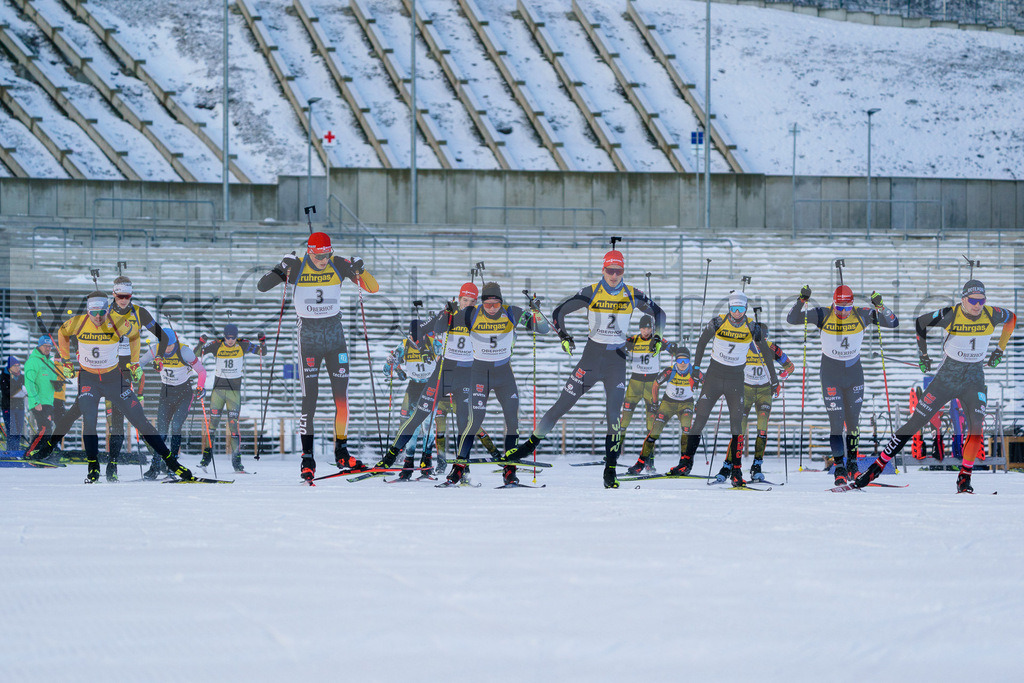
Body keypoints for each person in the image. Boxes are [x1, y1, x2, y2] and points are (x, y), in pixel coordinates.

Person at [503, 249, 665, 489]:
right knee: (562, 404)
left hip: (616, 361)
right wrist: (564, 336)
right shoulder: (592, 291)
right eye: (610, 270)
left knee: (613, 417)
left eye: (618, 271)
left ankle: (610, 469)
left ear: (623, 271)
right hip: (591, 358)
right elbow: (559, 311)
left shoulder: (632, 294)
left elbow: (659, 314)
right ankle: (528, 447)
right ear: (603, 270)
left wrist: (658, 338)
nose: (613, 275)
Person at [855, 280, 1016, 493]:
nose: (978, 305)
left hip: (974, 378)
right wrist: (924, 355)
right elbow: (921, 322)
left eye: (981, 300)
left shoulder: (991, 313)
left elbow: (1012, 318)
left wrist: (1000, 350)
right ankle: (878, 466)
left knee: (976, 426)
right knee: (915, 423)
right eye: (973, 300)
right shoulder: (951, 314)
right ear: (963, 299)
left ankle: (964, 478)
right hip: (947, 377)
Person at [26, 291, 192, 482]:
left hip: (114, 379)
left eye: (102, 312)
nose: (98, 317)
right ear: (88, 311)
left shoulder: (117, 323)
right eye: (93, 313)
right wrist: (66, 360)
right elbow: (62, 333)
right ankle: (93, 466)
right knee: (89, 420)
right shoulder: (78, 322)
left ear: (107, 309)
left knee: (140, 421)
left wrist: (135, 362)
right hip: (89, 379)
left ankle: (172, 463)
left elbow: (135, 337)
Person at [256, 232, 378, 483]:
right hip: (309, 339)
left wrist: (361, 270)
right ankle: (307, 457)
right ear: (310, 251)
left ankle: (342, 452)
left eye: (327, 254)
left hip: (335, 337)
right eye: (319, 255)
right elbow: (262, 285)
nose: (324, 259)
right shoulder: (297, 265)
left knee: (341, 398)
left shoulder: (338, 263)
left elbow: (373, 288)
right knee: (309, 399)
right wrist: (280, 267)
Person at [374, 283, 504, 475]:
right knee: (419, 415)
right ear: (459, 299)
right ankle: (390, 457)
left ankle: (461, 467)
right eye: (465, 300)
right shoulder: (449, 312)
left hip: (466, 375)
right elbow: (422, 330)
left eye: (472, 301)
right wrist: (440, 319)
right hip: (443, 373)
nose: (468, 304)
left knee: (464, 422)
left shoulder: (481, 316)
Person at [787, 284, 898, 485]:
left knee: (853, 423)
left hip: (854, 373)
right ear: (833, 304)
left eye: (847, 308)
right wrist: (802, 300)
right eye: (839, 308)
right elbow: (792, 319)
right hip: (830, 374)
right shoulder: (823, 314)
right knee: (836, 423)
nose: (843, 312)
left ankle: (853, 466)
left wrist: (880, 306)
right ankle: (839, 467)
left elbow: (893, 323)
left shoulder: (862, 314)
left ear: (853, 305)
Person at [666, 291, 778, 487]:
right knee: (699, 419)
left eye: (740, 309)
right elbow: (701, 342)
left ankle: (736, 470)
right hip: (713, 377)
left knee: (737, 425)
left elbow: (767, 354)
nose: (736, 313)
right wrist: (697, 368)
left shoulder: (752, 326)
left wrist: (774, 379)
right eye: (733, 308)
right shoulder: (717, 322)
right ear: (729, 308)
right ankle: (686, 462)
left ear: (745, 309)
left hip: (736, 380)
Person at [442, 282, 548, 486]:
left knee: (512, 419)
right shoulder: (471, 314)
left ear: (501, 302)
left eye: (496, 304)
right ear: (482, 302)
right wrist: (447, 313)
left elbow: (542, 329)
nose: (492, 308)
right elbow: (443, 326)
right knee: (474, 420)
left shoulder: (511, 312)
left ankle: (510, 470)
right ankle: (458, 467)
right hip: (479, 372)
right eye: (488, 304)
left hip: (503, 373)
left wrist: (537, 312)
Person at [106, 276, 166, 473]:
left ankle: (159, 462)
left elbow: (162, 336)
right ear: (114, 294)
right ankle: (112, 464)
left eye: (128, 296)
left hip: (129, 370)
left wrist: (159, 357)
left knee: (138, 418)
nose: (124, 300)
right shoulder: (104, 312)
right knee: (115, 420)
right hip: (107, 370)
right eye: (120, 296)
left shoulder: (139, 313)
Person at [719, 331, 795, 482]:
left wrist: (783, 374)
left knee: (762, 429)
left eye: (763, 339)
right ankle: (727, 465)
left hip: (764, 392)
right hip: (745, 391)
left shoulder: (772, 348)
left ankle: (757, 466)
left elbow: (790, 366)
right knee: (739, 430)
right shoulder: (743, 347)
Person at [196, 323, 266, 473]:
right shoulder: (217, 345)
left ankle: (237, 463)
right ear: (224, 336)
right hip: (218, 392)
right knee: (212, 426)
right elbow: (197, 353)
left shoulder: (243, 344)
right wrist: (201, 342)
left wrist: (262, 341)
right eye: (228, 338)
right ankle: (205, 460)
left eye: (233, 338)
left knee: (234, 427)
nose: (230, 341)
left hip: (234, 392)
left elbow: (262, 352)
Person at [139, 330, 207, 479]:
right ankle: (155, 466)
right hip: (166, 394)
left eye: (170, 345)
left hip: (184, 394)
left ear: (175, 342)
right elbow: (140, 363)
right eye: (165, 345)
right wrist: (134, 372)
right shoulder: (156, 349)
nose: (167, 348)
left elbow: (202, 371)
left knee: (176, 426)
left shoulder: (184, 351)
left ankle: (173, 467)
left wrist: (200, 387)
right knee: (161, 433)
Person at [382, 321, 440, 479]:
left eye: (419, 339)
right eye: (413, 339)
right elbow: (387, 371)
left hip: (430, 386)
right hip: (414, 386)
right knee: (410, 424)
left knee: (428, 425)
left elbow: (447, 362)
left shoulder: (434, 344)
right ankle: (408, 463)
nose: (416, 342)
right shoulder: (404, 345)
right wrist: (391, 363)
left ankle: (426, 462)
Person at [627, 343, 692, 475]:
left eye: (686, 360)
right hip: (668, 404)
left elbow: (708, 385)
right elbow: (656, 385)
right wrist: (655, 403)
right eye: (680, 360)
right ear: (676, 361)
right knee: (654, 432)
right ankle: (641, 463)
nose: (683, 363)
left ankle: (684, 464)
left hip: (686, 405)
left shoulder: (694, 371)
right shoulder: (669, 371)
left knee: (686, 429)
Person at [620, 315, 664, 447]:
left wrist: (671, 347)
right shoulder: (633, 339)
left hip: (651, 384)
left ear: (652, 329)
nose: (646, 331)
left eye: (649, 328)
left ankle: (649, 457)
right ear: (640, 328)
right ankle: (615, 451)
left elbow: (673, 349)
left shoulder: (657, 340)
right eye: (643, 328)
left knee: (651, 422)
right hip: (635, 383)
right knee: (625, 419)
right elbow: (618, 347)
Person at [23, 335, 63, 444]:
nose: (48, 348)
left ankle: (41, 453)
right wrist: (36, 401)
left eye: (49, 346)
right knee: (44, 429)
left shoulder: (49, 362)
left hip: (48, 401)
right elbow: (29, 383)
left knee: (47, 430)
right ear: (39, 346)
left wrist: (57, 386)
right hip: (39, 402)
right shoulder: (33, 362)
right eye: (45, 346)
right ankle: (31, 452)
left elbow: (51, 381)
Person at [2, 356, 26, 451]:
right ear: (9, 367)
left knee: (18, 431)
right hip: (9, 407)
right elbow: (6, 391)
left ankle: (15, 451)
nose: (17, 367)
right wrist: (18, 391)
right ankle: (11, 452)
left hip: (20, 407)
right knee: (12, 431)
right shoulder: (4, 376)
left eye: (18, 365)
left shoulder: (22, 377)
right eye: (14, 366)